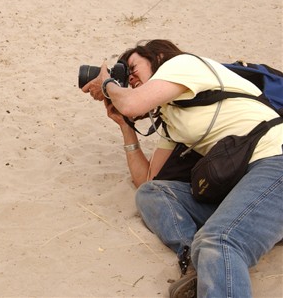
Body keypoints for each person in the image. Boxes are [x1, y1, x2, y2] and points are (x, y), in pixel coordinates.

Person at [81, 40, 283, 298]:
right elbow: (146, 181)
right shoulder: (171, 116)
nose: (129, 78)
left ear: (160, 56)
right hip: (244, 185)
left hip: (275, 161)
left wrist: (107, 83)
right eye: (124, 76)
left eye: (132, 68)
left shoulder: (182, 64)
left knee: (220, 240)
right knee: (151, 194)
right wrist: (126, 127)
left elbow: (133, 104)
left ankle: (214, 253)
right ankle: (193, 260)